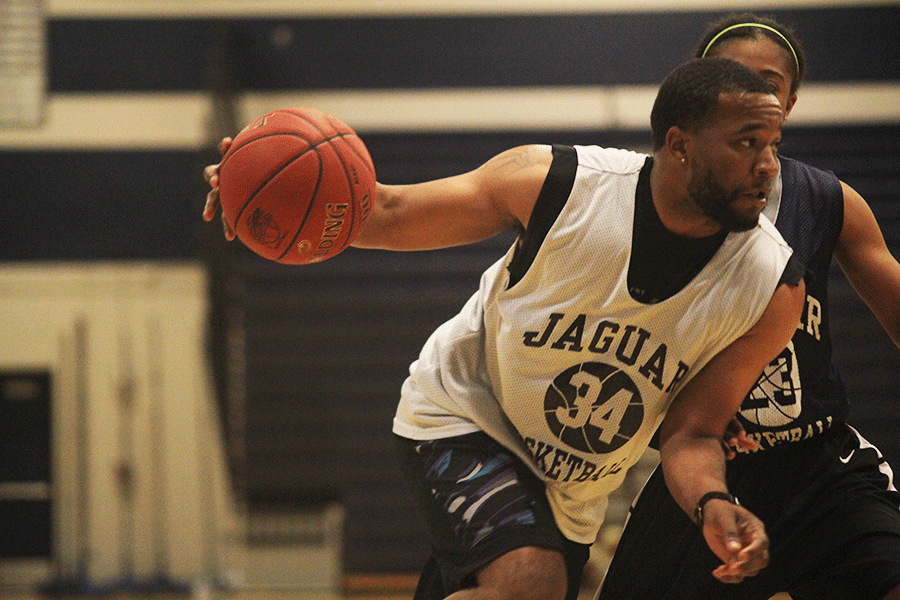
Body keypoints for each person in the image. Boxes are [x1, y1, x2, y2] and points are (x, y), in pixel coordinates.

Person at [204, 58, 806, 600]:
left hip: (571, 492)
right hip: (464, 414)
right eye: (746, 142)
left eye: (774, 143)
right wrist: (261, 189)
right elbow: (384, 214)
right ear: (680, 146)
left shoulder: (772, 289)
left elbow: (692, 434)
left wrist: (713, 503)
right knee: (529, 584)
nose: (768, 166)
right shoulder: (559, 186)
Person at [595, 14, 900, 600]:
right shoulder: (646, 202)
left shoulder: (828, 200)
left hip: (815, 458)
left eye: (770, 82)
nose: (755, 92)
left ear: (788, 102)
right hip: (704, 462)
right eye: (736, 77)